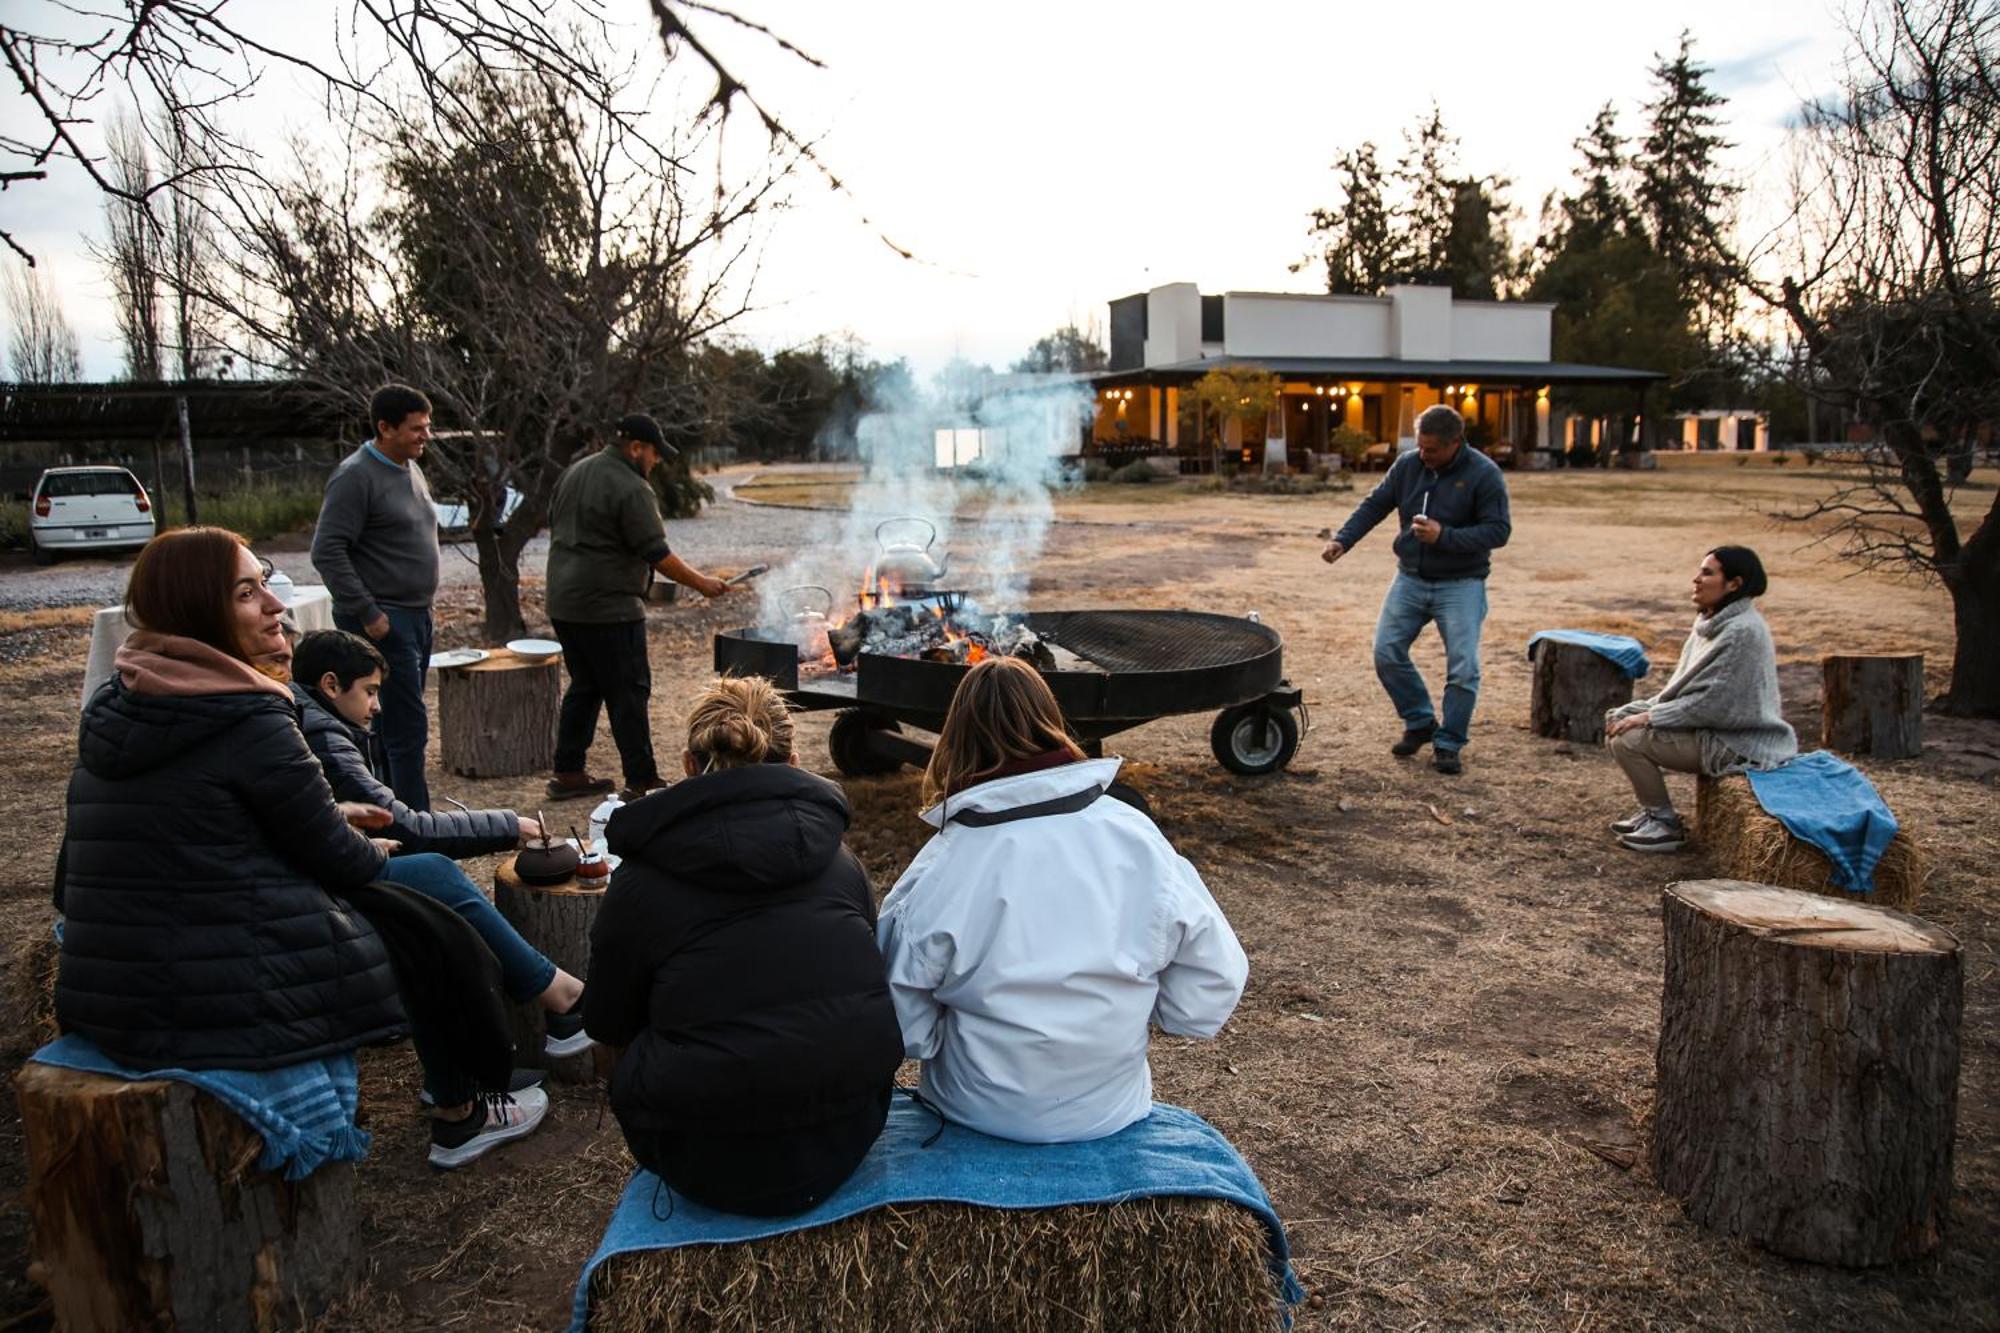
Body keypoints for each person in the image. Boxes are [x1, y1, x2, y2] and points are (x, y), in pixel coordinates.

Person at [57, 527, 547, 1169]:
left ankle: (535, 1019)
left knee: (420, 887)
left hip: (112, 991)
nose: (275, 606)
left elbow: (184, 829)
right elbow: (343, 861)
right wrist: (349, 834)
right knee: (421, 920)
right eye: (246, 592)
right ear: (196, 610)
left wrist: (322, 816)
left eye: (265, 583)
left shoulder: (122, 702)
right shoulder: (246, 713)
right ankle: (463, 1110)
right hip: (207, 997)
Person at [875, 657, 1249, 1144]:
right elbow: (1211, 987)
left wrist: (947, 1040)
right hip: (1109, 1109)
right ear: (1051, 722)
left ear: (955, 740)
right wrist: (1128, 1011)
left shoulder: (943, 865)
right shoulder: (1135, 837)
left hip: (975, 1109)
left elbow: (902, 1018)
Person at [582, 676, 903, 1215]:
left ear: (688, 764)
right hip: (848, 1135)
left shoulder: (640, 882)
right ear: (796, 758)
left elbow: (607, 1026)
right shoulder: (842, 863)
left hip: (701, 1158)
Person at [290, 629, 591, 1061]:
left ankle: (478, 1071)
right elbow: (408, 830)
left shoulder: (317, 720)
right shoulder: (326, 739)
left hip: (322, 869)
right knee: (434, 878)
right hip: (318, 888)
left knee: (436, 896)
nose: (377, 705)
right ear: (331, 685)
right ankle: (558, 1001)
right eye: (370, 692)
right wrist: (510, 824)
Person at [544, 412, 731, 804]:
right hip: (608, 608)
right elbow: (657, 553)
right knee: (629, 691)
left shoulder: (576, 472)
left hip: (564, 602)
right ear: (636, 448)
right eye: (654, 453)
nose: (656, 461)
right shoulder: (631, 487)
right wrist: (704, 584)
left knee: (586, 685)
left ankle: (568, 771)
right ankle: (642, 780)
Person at [1321, 403, 1511, 775]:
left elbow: (1498, 531)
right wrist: (1344, 540)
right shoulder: (1409, 465)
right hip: (1410, 576)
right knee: (1387, 652)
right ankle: (1420, 721)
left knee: (1463, 667)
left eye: (1432, 450)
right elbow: (1375, 504)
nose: (1423, 455)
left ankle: (1449, 742)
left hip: (1462, 583)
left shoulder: (1483, 474)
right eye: (1420, 447)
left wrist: (1446, 536)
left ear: (1456, 443)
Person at [1604, 546, 1798, 853]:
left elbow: (1714, 705)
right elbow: (1682, 688)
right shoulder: (1711, 622)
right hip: (1712, 727)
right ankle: (1653, 814)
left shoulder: (1741, 632)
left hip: (1738, 742)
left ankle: (1665, 824)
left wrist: (1649, 717)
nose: (1696, 580)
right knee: (1619, 721)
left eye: (1707, 573)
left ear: (1734, 583)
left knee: (1629, 739)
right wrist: (1641, 709)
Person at [312, 383, 442, 812]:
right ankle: (417, 824)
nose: (425, 435)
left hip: (415, 615)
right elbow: (327, 550)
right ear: (384, 427)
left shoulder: (410, 466)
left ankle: (389, 813)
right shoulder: (356, 476)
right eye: (416, 428)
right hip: (383, 620)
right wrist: (369, 613)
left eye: (427, 427)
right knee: (405, 729)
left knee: (393, 726)